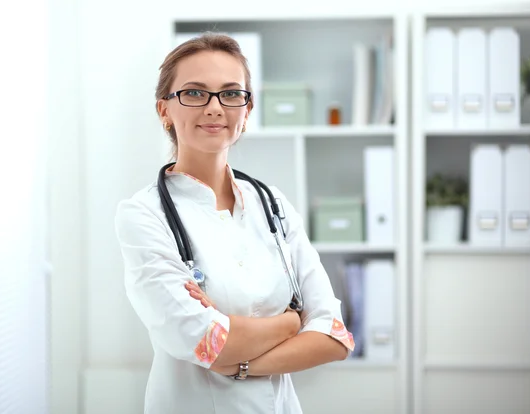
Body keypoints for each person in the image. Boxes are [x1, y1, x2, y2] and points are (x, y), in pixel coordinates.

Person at [114, 32, 354, 414]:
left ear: (247, 109)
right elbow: (203, 341)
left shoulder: (273, 205)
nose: (214, 108)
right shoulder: (144, 215)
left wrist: (239, 364)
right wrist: (292, 322)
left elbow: (334, 337)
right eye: (194, 93)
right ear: (164, 110)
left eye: (230, 93)